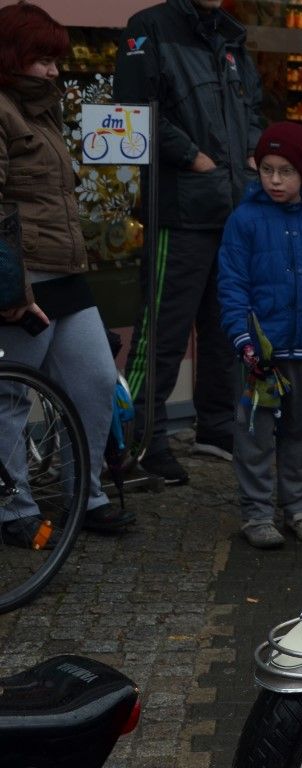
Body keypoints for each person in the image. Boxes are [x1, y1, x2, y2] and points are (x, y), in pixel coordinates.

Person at [0, 0, 135, 542]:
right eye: (45, 59)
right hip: (24, 280)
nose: (55, 70)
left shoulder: (43, 110)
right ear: (13, 56)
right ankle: (14, 509)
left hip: (65, 272)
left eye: (57, 60)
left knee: (96, 380)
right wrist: (11, 290)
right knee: (11, 397)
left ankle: (86, 493)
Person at [113, 0, 264, 486]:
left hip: (232, 209)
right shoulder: (150, 27)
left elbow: (252, 109)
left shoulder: (229, 35)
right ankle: (141, 439)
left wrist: (251, 153)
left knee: (225, 329)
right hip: (179, 211)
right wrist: (195, 157)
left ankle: (216, 426)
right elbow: (134, 111)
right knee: (162, 332)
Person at [217, 122, 302, 549]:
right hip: (261, 354)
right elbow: (232, 286)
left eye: (286, 171)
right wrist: (243, 340)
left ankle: (299, 507)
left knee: (300, 431)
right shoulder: (244, 221)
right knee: (255, 436)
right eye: (267, 170)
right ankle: (257, 514)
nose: (275, 180)